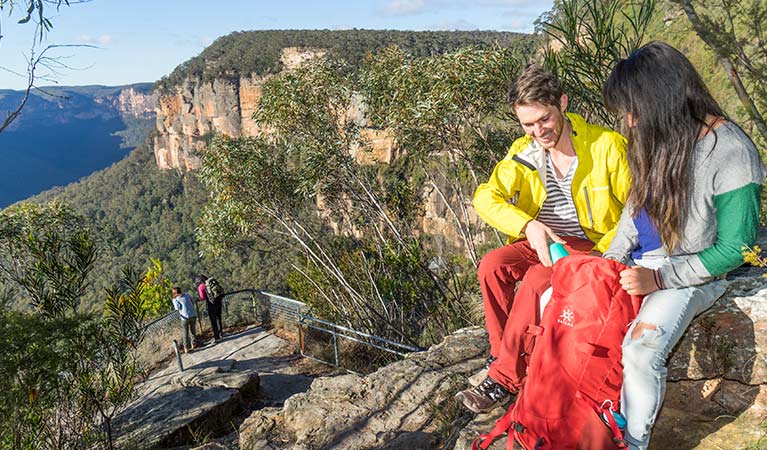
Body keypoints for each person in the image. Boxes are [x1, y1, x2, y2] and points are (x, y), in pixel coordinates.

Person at [600, 41, 764, 449]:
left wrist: (659, 278)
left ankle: (632, 443)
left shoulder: (732, 152)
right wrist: (609, 261)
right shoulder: (658, 136)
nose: (628, 121)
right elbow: (634, 210)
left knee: (641, 350)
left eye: (633, 109)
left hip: (695, 269)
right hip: (645, 265)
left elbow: (736, 248)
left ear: (663, 99)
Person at [455, 64, 631, 413]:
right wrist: (528, 227)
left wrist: (605, 254)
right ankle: (501, 354)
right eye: (528, 124)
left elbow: (636, 209)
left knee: (537, 280)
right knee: (492, 265)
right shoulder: (525, 152)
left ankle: (503, 380)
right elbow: (485, 197)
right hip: (542, 240)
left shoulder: (607, 146)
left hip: (592, 244)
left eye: (544, 120)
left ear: (562, 104)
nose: (538, 131)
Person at [196, 274, 223, 341]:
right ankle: (221, 333)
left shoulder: (201, 286)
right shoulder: (211, 282)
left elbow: (202, 298)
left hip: (211, 304)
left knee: (213, 320)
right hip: (218, 301)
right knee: (219, 318)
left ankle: (217, 337)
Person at [171, 287, 197, 353]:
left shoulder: (175, 299)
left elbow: (177, 308)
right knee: (193, 330)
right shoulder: (187, 295)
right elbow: (193, 302)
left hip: (184, 317)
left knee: (185, 332)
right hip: (193, 314)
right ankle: (193, 344)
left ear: (174, 293)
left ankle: (186, 348)